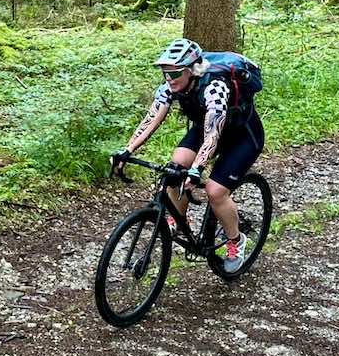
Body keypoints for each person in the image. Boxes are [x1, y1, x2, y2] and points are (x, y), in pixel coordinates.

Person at [111, 38, 264, 274]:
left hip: (241, 136)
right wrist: (127, 150)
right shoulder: (170, 87)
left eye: (175, 74)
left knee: (215, 191)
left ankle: (235, 241)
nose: (169, 79)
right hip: (206, 128)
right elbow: (152, 118)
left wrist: (198, 168)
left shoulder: (215, 87)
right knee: (176, 166)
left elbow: (213, 135)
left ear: (192, 70)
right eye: (165, 73)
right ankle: (178, 220)